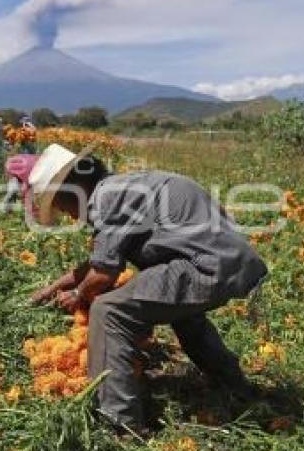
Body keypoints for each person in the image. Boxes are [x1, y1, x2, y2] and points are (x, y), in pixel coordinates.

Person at [27, 144, 267, 431]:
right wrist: (52, 288)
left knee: (108, 310)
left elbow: (103, 273)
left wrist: (79, 295)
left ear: (72, 190)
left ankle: (120, 424)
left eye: (62, 206)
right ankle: (234, 385)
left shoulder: (107, 198)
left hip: (205, 264)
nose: (68, 215)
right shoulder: (126, 187)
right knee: (182, 313)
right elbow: (97, 262)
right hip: (232, 261)